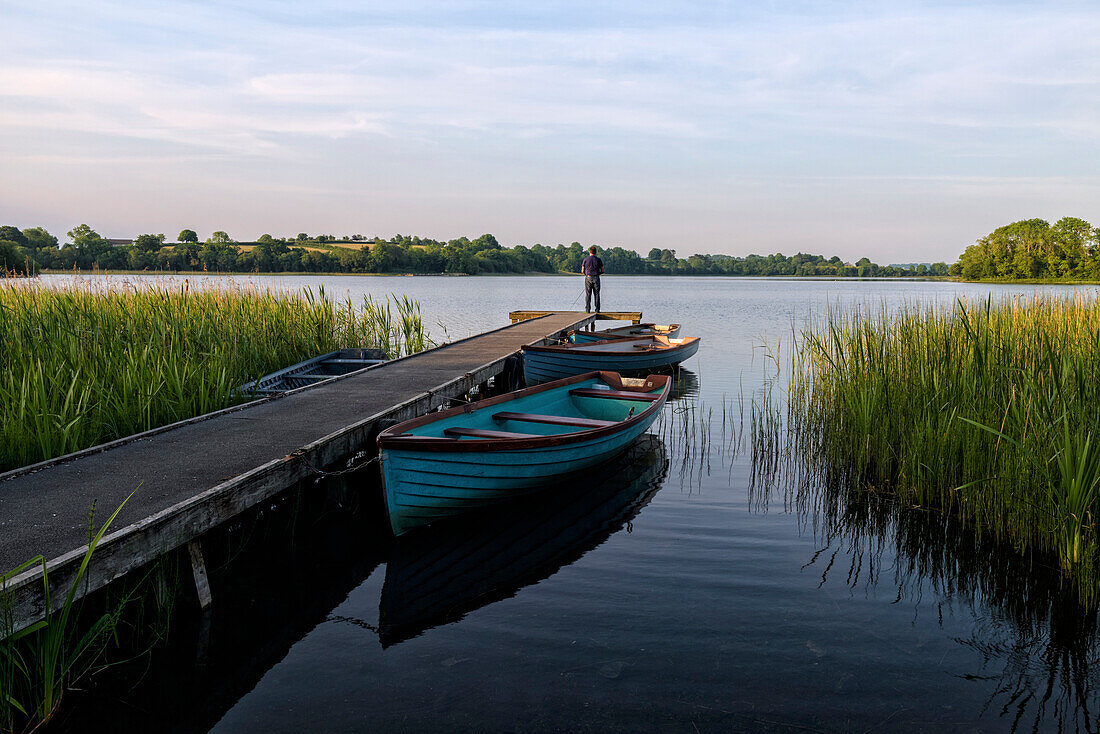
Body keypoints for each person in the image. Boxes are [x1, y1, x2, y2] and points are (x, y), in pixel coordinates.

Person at [580, 246, 604, 313]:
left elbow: (582, 271)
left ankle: (588, 310)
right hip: (596, 277)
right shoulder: (598, 260)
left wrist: (587, 275)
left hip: (588, 277)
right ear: (596, 252)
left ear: (589, 252)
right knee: (596, 294)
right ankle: (597, 310)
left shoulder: (585, 259)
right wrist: (598, 273)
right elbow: (602, 270)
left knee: (588, 294)